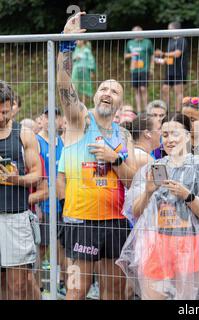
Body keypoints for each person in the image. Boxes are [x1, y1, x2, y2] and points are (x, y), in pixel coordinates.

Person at [56, 12, 136, 300]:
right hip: (81, 222)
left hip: (115, 223)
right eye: (103, 88)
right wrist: (67, 46)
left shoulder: (124, 135)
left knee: (113, 293)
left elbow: (131, 181)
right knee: (76, 292)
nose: (107, 92)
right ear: (93, 96)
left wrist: (114, 159)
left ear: (120, 103)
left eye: (114, 91)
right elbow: (64, 87)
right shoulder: (80, 121)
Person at [117, 113, 199, 299]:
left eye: (175, 134)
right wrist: (147, 191)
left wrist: (187, 196)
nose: (169, 140)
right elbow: (135, 212)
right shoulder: (152, 169)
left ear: (188, 135)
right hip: (155, 244)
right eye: (165, 135)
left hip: (191, 246)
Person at [0, 81, 42, 300]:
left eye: (5, 112)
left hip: (16, 216)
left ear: (12, 106)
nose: (1, 117)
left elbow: (37, 174)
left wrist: (17, 179)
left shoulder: (23, 134)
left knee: (18, 284)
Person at [34, 107, 66, 295]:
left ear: (61, 120)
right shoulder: (37, 142)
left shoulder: (62, 142)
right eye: (47, 116)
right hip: (44, 204)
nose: (51, 120)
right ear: (42, 119)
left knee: (62, 245)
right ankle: (38, 287)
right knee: (42, 246)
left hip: (63, 203)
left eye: (56, 116)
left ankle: (62, 283)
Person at [155, 22, 189, 112]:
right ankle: (167, 110)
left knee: (178, 91)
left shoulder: (182, 40)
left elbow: (177, 54)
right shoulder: (170, 41)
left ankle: (178, 112)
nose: (167, 31)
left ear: (175, 29)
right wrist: (162, 60)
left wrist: (162, 53)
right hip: (169, 70)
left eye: (169, 29)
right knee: (165, 89)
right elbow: (169, 56)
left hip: (179, 70)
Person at [125, 26, 154, 113]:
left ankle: (146, 109)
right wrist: (132, 54)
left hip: (144, 69)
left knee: (143, 89)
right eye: (134, 33)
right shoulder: (130, 43)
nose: (136, 35)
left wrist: (152, 67)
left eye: (138, 32)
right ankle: (138, 110)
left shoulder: (147, 42)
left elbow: (152, 55)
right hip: (134, 69)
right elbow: (126, 55)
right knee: (136, 90)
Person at [72, 40, 96, 106]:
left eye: (79, 40)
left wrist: (91, 71)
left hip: (84, 71)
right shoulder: (75, 50)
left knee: (84, 85)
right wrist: (75, 58)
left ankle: (83, 103)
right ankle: (76, 102)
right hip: (76, 70)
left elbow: (91, 60)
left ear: (83, 41)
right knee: (75, 85)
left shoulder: (87, 50)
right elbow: (72, 59)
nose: (77, 42)